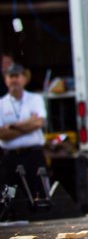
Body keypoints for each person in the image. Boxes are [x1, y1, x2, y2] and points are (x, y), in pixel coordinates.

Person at [0, 65, 49, 196]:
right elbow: (2, 134)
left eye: (17, 76)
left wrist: (10, 126)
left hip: (33, 156)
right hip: (10, 158)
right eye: (11, 76)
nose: (14, 80)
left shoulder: (35, 99)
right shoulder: (1, 104)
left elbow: (39, 122)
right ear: (5, 80)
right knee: (11, 195)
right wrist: (28, 125)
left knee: (39, 193)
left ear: (24, 79)